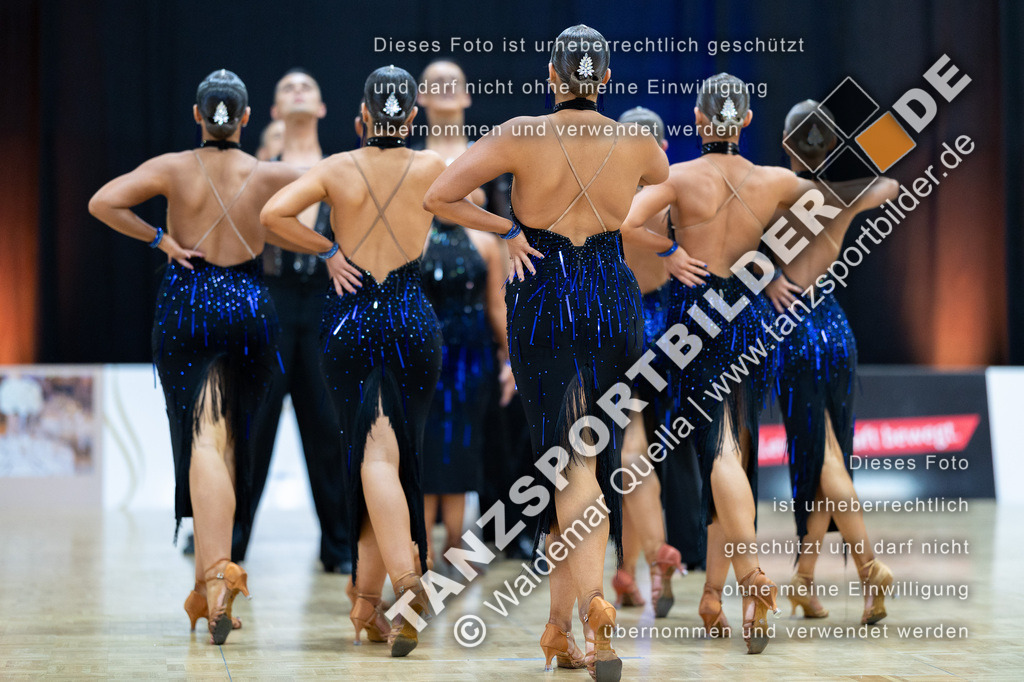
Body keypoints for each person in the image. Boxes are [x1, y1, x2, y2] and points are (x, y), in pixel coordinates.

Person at [426, 26, 668, 681]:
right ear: (607, 80)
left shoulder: (519, 131)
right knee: (595, 460)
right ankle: (560, 627)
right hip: (615, 296)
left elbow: (439, 195)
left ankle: (593, 610)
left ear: (554, 77)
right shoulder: (639, 141)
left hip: (545, 292)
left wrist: (507, 229)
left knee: (570, 469)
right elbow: (655, 201)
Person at [88, 69, 308, 644]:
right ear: (245, 118)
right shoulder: (270, 172)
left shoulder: (172, 166)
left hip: (188, 303)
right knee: (232, 443)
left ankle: (214, 581)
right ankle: (210, 582)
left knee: (205, 441)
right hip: (251, 306)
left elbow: (103, 202)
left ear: (196, 115)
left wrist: (160, 240)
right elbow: (330, 193)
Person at [621, 73, 817, 654]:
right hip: (746, 322)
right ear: (748, 121)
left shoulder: (679, 177)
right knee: (729, 450)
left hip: (696, 327)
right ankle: (713, 593)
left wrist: (674, 252)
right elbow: (825, 204)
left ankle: (751, 578)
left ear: (700, 121)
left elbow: (629, 221)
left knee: (722, 451)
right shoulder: (773, 180)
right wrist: (768, 262)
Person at [261, 65, 445, 658]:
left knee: (372, 457)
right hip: (415, 317)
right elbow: (473, 217)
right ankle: (367, 605)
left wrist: (330, 251)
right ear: (413, 118)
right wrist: (511, 233)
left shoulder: (337, 167)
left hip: (353, 318)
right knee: (392, 458)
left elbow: (273, 217)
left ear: (361, 118)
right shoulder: (432, 167)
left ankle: (406, 582)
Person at [764, 100, 898, 625]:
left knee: (823, 460)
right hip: (836, 329)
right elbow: (887, 186)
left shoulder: (775, 190)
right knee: (829, 456)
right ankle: (804, 579)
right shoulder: (839, 197)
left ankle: (869, 568)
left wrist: (768, 278)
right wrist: (844, 169)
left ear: (786, 144)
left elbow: (728, 247)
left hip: (794, 331)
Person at [242, 68, 351, 574]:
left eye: (308, 85)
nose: (299, 91)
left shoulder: (342, 168)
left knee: (329, 429)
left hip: (329, 305)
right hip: (273, 304)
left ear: (323, 108)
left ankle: (339, 545)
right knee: (255, 427)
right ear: (274, 111)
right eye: (286, 87)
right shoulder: (257, 172)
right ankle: (232, 544)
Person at [416, 59, 515, 569]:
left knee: (470, 440)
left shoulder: (487, 153)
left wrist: (509, 353)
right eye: (435, 83)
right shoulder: (412, 160)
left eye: (454, 81)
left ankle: (470, 538)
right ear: (419, 98)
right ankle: (419, 541)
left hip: (474, 309)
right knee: (424, 436)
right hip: (423, 317)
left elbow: (498, 282)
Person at [613, 106, 690, 618]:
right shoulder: (678, 194)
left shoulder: (607, 195)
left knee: (629, 453)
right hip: (674, 328)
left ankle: (647, 560)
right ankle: (631, 570)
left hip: (622, 325)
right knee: (643, 455)